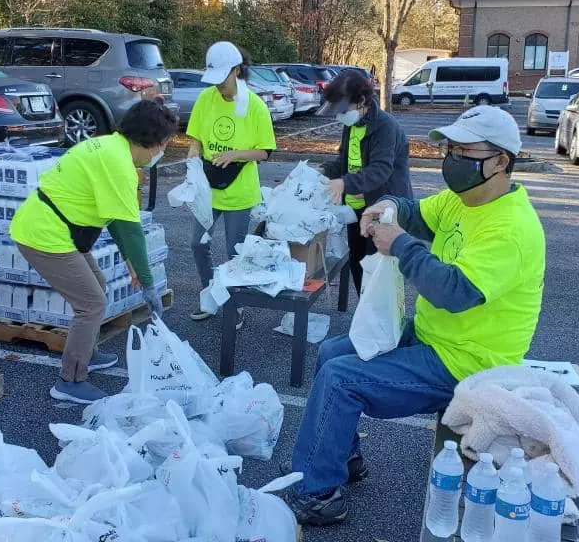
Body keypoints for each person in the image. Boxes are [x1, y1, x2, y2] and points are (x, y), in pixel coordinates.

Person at [283, 106, 546, 526]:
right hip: (433, 337)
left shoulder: (512, 228)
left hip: (469, 362)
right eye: (451, 149)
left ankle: (318, 495)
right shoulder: (463, 200)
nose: (452, 159)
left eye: (465, 151)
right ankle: (339, 460)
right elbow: (417, 212)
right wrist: (388, 205)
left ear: (501, 162)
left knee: (341, 379)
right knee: (332, 352)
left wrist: (401, 244)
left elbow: (453, 292)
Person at [9, 100, 177, 404]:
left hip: (54, 228)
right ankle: (70, 380)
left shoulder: (110, 147)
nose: (161, 153)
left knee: (97, 288)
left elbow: (114, 216)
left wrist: (131, 261)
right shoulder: (119, 165)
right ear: (152, 142)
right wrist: (149, 284)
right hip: (44, 234)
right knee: (92, 303)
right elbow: (130, 228)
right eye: (163, 145)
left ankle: (85, 350)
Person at [186, 41, 276, 326]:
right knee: (197, 244)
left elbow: (265, 151)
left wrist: (236, 154)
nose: (218, 87)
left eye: (222, 79)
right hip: (208, 187)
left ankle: (234, 308)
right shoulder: (206, 98)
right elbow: (195, 137)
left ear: (237, 71)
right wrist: (193, 153)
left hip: (239, 190)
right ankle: (210, 297)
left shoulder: (256, 107)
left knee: (233, 254)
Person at [318, 69, 412, 294]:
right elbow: (344, 160)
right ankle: (365, 317)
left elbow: (380, 169)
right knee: (358, 265)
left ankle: (383, 325)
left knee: (379, 272)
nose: (340, 115)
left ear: (361, 101)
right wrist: (322, 171)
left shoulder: (385, 127)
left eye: (343, 109)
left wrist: (343, 184)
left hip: (384, 209)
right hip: (357, 210)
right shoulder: (351, 124)